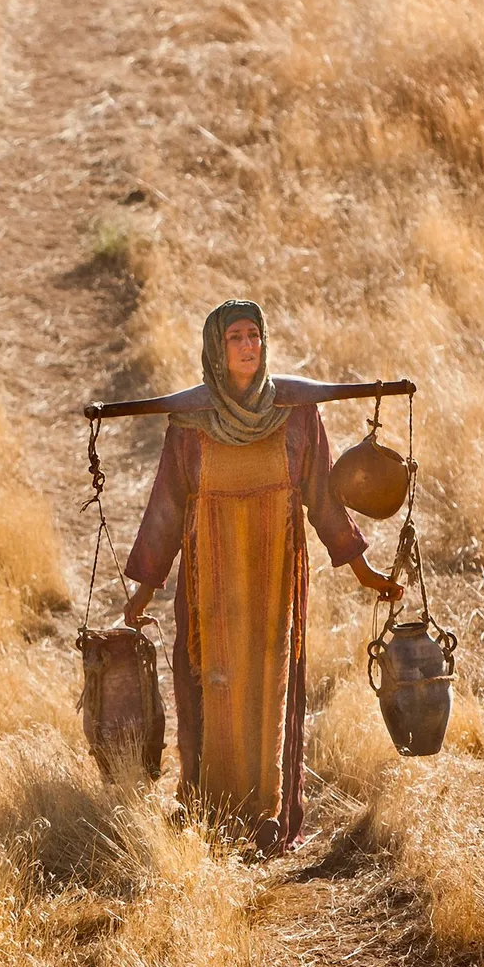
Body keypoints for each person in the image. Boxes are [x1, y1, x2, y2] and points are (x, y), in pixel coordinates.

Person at [122, 299, 402, 853]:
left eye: (254, 335)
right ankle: (209, 810)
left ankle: (268, 816)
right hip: (211, 580)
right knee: (213, 682)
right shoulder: (191, 425)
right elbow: (167, 508)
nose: (248, 346)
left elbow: (322, 497)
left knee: (272, 687)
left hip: (276, 575)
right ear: (216, 351)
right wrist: (145, 588)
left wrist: (362, 567)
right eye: (235, 338)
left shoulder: (297, 414)